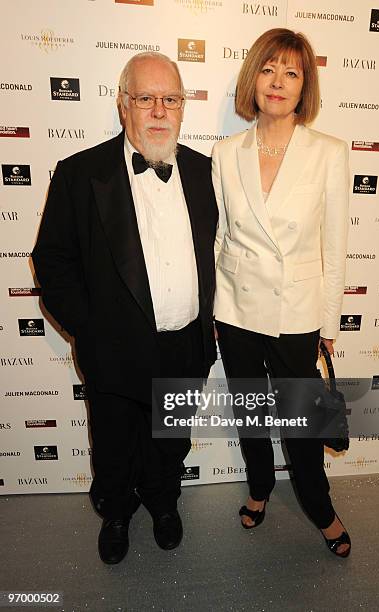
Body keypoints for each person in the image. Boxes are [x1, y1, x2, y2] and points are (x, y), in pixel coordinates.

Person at [32, 52, 217, 564]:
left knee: (169, 438)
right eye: (145, 98)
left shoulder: (206, 173)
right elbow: (52, 260)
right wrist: (89, 329)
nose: (159, 110)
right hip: (112, 347)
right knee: (113, 442)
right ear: (123, 105)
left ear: (182, 108)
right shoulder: (79, 173)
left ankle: (163, 502)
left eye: (170, 99)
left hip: (186, 343)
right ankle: (115, 513)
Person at [212, 28, 351, 557]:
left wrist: (330, 323)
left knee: (302, 423)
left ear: (304, 86)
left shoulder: (329, 153)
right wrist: (216, 310)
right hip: (237, 309)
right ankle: (259, 487)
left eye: (292, 72)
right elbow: (224, 235)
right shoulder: (226, 152)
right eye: (269, 69)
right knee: (249, 411)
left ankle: (320, 506)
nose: (278, 82)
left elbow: (335, 246)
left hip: (297, 313)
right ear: (254, 77)